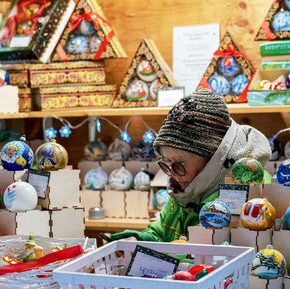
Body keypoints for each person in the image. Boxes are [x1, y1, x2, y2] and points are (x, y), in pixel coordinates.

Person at [111, 89, 271, 242]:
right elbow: (162, 232)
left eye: (179, 164)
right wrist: (141, 240)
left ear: (213, 160)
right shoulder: (185, 190)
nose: (172, 174)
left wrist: (156, 253)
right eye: (167, 163)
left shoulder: (241, 194)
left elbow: (207, 255)